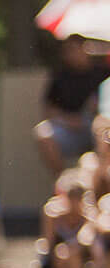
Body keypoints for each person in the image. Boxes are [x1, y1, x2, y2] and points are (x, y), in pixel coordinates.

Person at [35, 35, 106, 177]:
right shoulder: (61, 76)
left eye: (74, 49)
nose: (71, 54)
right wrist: (69, 121)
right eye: (67, 50)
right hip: (71, 129)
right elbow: (49, 108)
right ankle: (64, 184)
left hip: (100, 127)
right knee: (43, 133)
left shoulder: (102, 72)